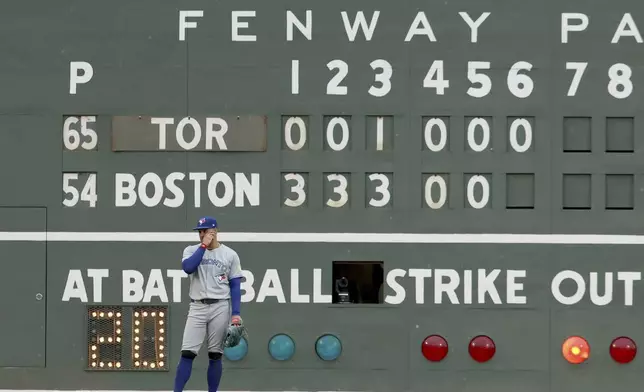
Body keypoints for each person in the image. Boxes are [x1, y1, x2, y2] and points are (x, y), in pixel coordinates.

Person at [173, 216, 243, 392]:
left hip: (220, 305)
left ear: (215, 231)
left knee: (215, 355)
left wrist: (236, 313)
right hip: (197, 305)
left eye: (205, 231)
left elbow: (235, 285)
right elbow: (188, 267)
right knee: (187, 353)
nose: (201, 234)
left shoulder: (229, 254)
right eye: (200, 231)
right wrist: (203, 246)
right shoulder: (191, 250)